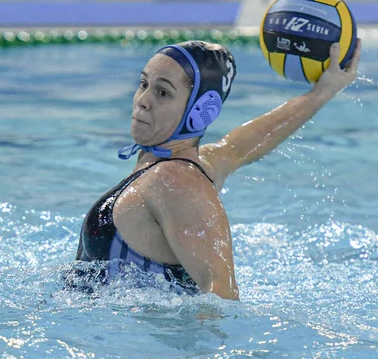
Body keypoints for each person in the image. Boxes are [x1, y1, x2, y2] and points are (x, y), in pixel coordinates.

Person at [74, 39, 362, 300]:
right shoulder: (185, 166)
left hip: (130, 345)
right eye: (143, 83)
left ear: (200, 110)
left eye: (162, 92)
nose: (142, 100)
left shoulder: (175, 181)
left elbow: (220, 293)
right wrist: (321, 93)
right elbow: (239, 146)